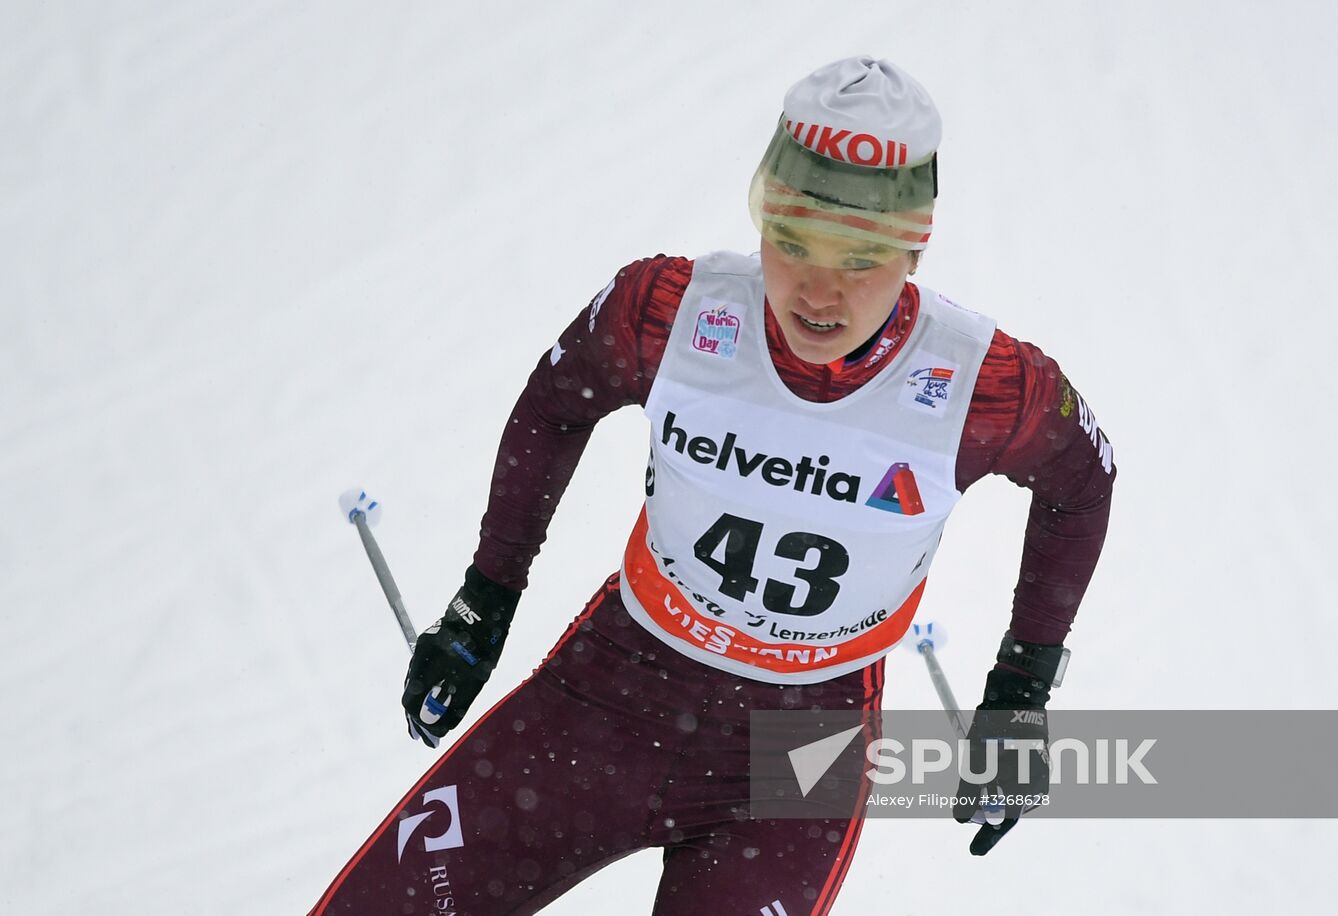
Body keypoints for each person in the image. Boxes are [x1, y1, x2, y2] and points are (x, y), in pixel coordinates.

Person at [311, 56, 1115, 915]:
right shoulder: (667, 312)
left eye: (862, 258)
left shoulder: (983, 386)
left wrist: (1021, 692)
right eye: (793, 241)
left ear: (915, 247)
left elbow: (1082, 488)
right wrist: (486, 600)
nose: (819, 289)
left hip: (800, 756)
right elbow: (554, 404)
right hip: (610, 696)